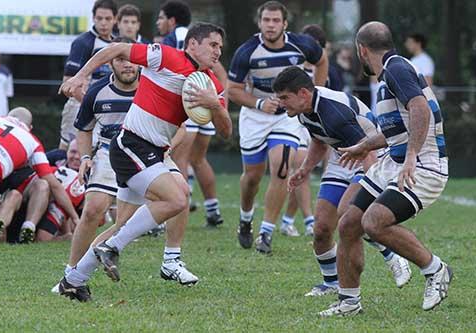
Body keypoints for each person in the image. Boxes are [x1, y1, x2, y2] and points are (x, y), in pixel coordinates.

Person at [57, 23, 232, 302]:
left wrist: (214, 103)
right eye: (213, 45)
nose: (218, 52)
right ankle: (113, 248)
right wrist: (81, 76)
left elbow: (226, 131)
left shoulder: (210, 84)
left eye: (220, 47)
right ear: (193, 44)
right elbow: (116, 49)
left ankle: (73, 281)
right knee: (177, 198)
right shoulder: (166, 56)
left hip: (153, 151)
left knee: (122, 224)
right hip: (131, 144)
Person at [318, 21, 451, 317]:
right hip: (392, 161)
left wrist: (413, 155)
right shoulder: (392, 72)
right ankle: (349, 302)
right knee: (349, 223)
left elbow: (420, 108)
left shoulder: (395, 69)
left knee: (374, 222)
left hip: (424, 166)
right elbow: (397, 127)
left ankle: (436, 269)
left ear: (361, 50)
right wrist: (365, 145)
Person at [273, 66, 411, 296]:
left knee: (349, 214)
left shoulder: (334, 112)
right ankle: (331, 283)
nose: (281, 103)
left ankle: (392, 254)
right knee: (321, 228)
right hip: (343, 156)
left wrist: (372, 188)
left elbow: (368, 151)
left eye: (285, 98)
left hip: (372, 157)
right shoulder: (303, 109)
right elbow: (319, 140)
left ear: (303, 94)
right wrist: (305, 169)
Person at [228, 1, 328, 254]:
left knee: (282, 168)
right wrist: (260, 103)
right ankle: (246, 218)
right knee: (251, 178)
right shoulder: (247, 51)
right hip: (255, 116)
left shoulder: (302, 44)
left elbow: (322, 59)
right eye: (266, 20)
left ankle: (266, 233)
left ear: (285, 24)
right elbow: (233, 91)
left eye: (275, 21)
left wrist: (314, 94)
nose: (270, 25)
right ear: (259, 22)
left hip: (287, 116)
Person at [61, 36, 139, 287]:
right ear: (110, 63)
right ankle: (70, 271)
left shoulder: (153, 87)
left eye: (132, 59)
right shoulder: (97, 91)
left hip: (143, 155)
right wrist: (85, 157)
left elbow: (176, 123)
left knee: (126, 223)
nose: (128, 64)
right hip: (107, 152)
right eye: (120, 59)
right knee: (94, 209)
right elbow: (84, 128)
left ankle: (172, 259)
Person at [158, 0, 227, 224]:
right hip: (206, 100)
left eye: (161, 18)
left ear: (171, 20)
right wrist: (218, 98)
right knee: (199, 160)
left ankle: (174, 212)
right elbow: (218, 71)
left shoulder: (177, 41)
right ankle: (213, 210)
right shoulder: (206, 40)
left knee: (179, 159)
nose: (159, 23)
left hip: (187, 104)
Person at [0, 108, 80, 242]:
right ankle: (29, 225)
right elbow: (55, 185)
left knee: (19, 194)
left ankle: (5, 226)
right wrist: (75, 217)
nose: (75, 157)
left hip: (6, 189)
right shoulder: (33, 143)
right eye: (73, 152)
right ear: (30, 127)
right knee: (38, 186)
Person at [59, 0, 117, 149]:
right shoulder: (83, 42)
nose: (103, 23)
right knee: (69, 149)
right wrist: (91, 107)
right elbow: (69, 83)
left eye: (108, 19)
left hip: (105, 108)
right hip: (79, 106)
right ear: (93, 18)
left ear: (115, 19)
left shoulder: (117, 44)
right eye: (99, 18)